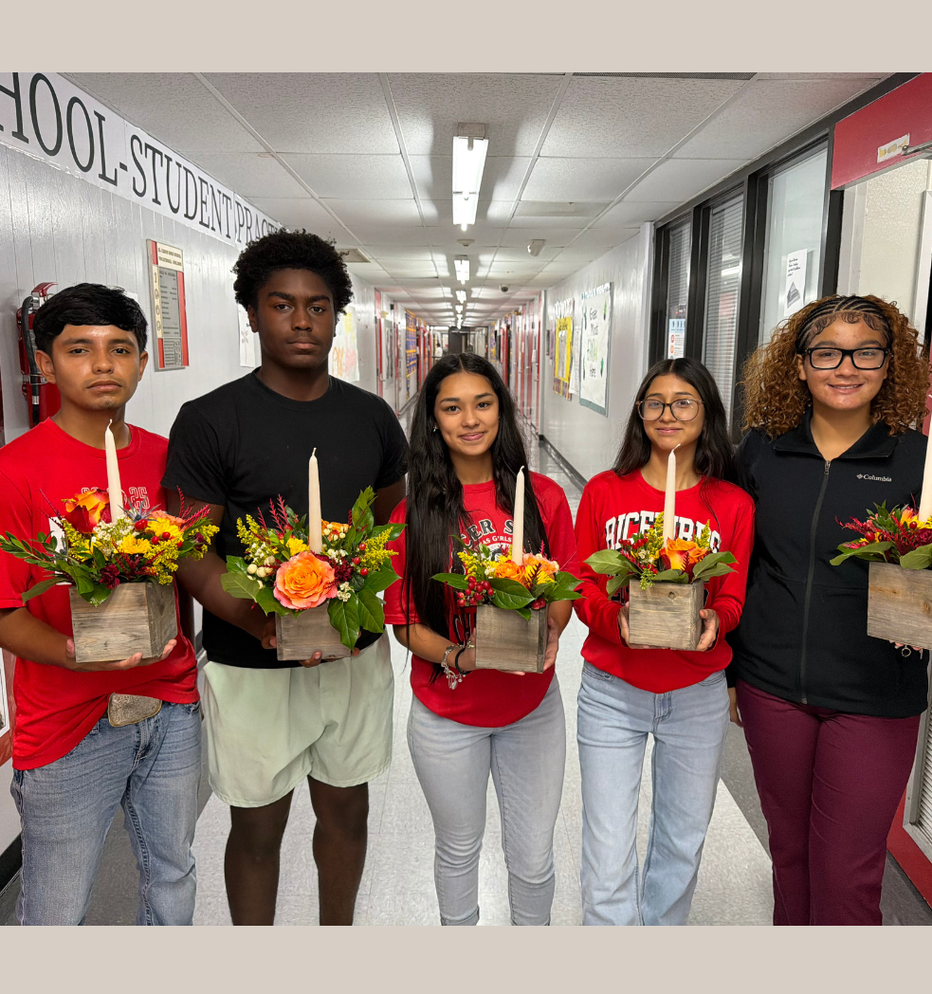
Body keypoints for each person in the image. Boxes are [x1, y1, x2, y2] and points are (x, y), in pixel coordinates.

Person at [162, 230, 409, 925]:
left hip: (352, 662)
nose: (302, 321)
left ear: (336, 315)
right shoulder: (211, 419)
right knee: (257, 828)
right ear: (252, 313)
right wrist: (258, 620)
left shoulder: (370, 417)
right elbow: (188, 548)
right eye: (282, 305)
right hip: (251, 665)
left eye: (319, 306)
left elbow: (395, 531)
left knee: (347, 814)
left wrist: (361, 596)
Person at [730, 293, 932, 926]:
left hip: (873, 696)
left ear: (891, 366)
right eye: (827, 351)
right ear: (800, 365)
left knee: (848, 871)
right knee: (790, 855)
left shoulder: (921, 464)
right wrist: (732, 674)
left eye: (867, 352)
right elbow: (737, 565)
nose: (846, 367)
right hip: (771, 686)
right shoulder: (762, 451)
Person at [0, 284, 201, 925]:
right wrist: (73, 654)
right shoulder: (16, 470)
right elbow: (5, 612)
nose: (103, 364)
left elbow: (190, 575)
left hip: (169, 705)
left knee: (172, 875)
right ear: (46, 363)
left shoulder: (169, 461)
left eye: (120, 349)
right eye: (80, 349)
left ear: (143, 361)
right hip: (65, 721)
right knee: (57, 906)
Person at [384, 352, 577, 926]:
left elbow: (565, 586)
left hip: (532, 709)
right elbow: (405, 622)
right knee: (458, 851)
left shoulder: (543, 497)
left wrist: (552, 627)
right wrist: (460, 655)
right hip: (447, 716)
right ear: (434, 421)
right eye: (452, 407)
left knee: (535, 861)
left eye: (483, 403)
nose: (470, 419)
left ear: (502, 410)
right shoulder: (411, 513)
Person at [573, 357, 755, 925]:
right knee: (607, 852)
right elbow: (581, 580)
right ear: (639, 412)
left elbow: (732, 596)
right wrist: (613, 620)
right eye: (655, 402)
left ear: (707, 414)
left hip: (696, 694)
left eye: (683, 403)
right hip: (611, 691)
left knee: (681, 844)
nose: (668, 414)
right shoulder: (605, 490)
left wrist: (715, 624)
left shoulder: (732, 503)